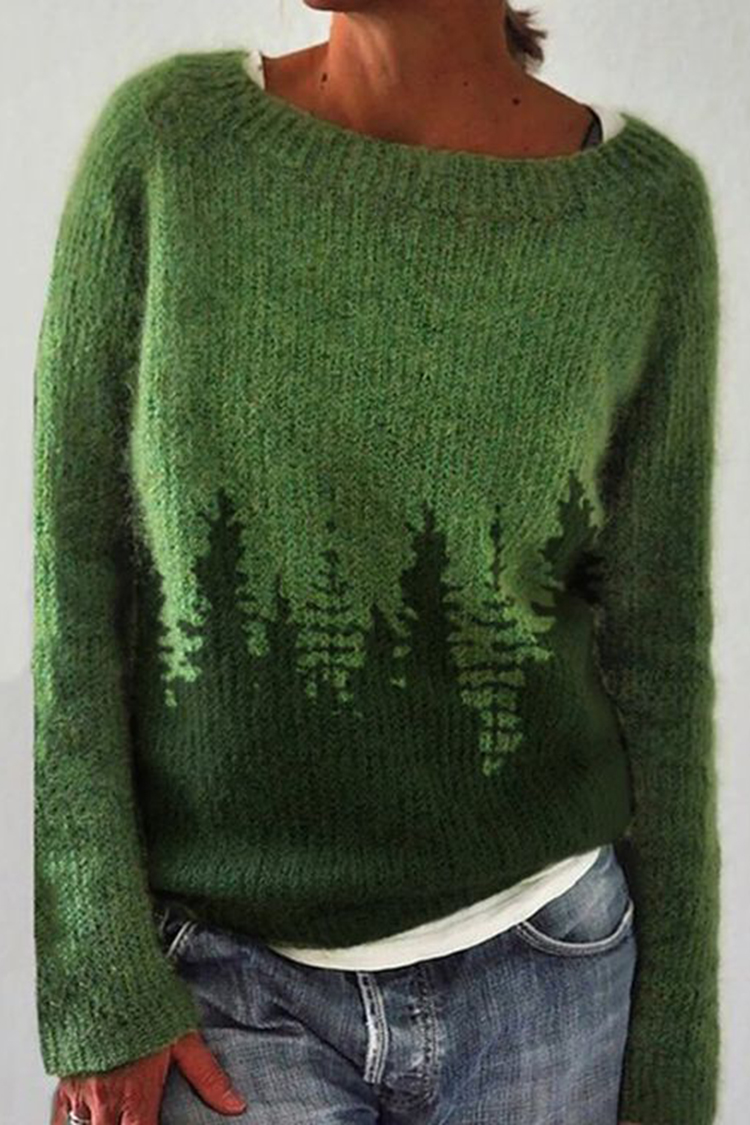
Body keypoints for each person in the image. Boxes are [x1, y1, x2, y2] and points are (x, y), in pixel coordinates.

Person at [31, 2, 722, 1124]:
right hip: (225, 990)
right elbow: (73, 580)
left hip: (549, 976)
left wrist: (674, 1062)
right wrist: (99, 978)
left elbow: (658, 642)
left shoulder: (638, 215)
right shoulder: (169, 149)